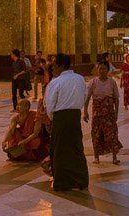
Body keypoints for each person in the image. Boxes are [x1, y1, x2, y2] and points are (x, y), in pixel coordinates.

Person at [44, 53, 89, 191]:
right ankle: (81, 179)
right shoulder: (80, 79)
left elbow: (50, 103)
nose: (52, 68)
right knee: (76, 148)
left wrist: (52, 119)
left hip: (61, 117)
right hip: (75, 116)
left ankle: (62, 182)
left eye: (55, 65)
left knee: (59, 150)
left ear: (62, 65)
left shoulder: (56, 82)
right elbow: (84, 96)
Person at [84, 62, 122, 165]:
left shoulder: (112, 82)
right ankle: (96, 157)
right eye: (100, 69)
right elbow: (87, 98)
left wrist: (116, 113)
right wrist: (85, 112)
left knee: (112, 134)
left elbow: (116, 99)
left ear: (108, 70)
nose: (102, 71)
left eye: (104, 69)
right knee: (96, 134)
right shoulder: (93, 82)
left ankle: (114, 157)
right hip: (97, 113)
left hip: (109, 113)